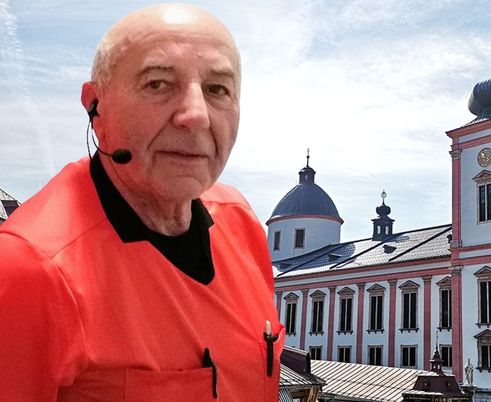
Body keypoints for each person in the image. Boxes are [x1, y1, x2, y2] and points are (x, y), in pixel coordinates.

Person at [0, 4, 284, 400]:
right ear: (95, 107)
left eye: (217, 89)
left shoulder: (243, 224)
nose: (196, 115)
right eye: (158, 84)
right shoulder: (28, 267)